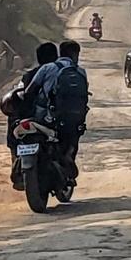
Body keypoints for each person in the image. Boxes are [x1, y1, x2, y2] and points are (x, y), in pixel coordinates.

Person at [27, 40, 89, 179]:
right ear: (75, 54)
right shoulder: (81, 71)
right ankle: (68, 155)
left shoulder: (47, 68)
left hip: (46, 116)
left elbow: (30, 90)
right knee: (74, 135)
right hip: (73, 118)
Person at [5, 42, 59, 190]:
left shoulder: (28, 76)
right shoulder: (60, 73)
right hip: (48, 120)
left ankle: (15, 160)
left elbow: (21, 95)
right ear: (56, 57)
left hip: (29, 120)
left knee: (13, 126)